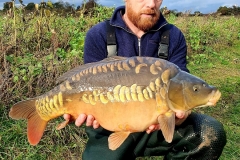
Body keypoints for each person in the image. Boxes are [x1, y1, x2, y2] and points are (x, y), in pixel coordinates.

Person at [64, 0, 226, 159]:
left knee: (210, 133)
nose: (151, 4)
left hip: (158, 128)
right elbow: (86, 85)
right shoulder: (99, 34)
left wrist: (180, 115)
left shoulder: (174, 36)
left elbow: (184, 87)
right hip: (109, 128)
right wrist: (78, 110)